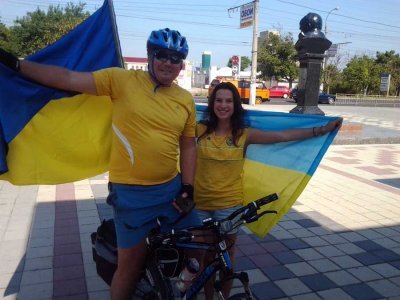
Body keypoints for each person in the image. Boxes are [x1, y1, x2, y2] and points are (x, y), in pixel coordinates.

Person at [0, 28, 201, 300]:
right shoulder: (121, 80)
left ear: (182, 64)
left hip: (171, 190)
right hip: (131, 194)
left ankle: (177, 285)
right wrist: (17, 64)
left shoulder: (185, 99)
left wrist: (188, 186)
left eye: (176, 58)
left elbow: (188, 145)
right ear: (150, 56)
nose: (169, 62)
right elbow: (68, 78)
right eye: (162, 55)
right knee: (129, 268)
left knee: (203, 242)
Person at [194, 82, 342, 299]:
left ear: (235, 105)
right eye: (218, 100)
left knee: (226, 258)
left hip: (230, 207)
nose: (223, 105)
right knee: (205, 257)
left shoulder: (243, 134)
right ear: (211, 103)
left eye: (228, 101)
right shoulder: (198, 129)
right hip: (200, 206)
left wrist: (321, 130)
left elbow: (282, 136)